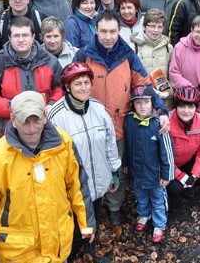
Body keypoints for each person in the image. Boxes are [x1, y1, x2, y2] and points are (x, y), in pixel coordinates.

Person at [0, 90, 96, 263]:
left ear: (45, 116)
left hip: (58, 247)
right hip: (19, 254)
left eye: (36, 120)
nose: (31, 129)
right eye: (25, 121)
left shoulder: (64, 143)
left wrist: (86, 223)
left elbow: (77, 185)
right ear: (13, 120)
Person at [73, 10, 170, 226]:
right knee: (91, 167)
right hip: (89, 124)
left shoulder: (127, 55)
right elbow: (70, 86)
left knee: (117, 168)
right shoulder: (83, 55)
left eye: (113, 31)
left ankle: (115, 207)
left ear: (120, 32)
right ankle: (94, 208)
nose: (108, 36)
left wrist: (161, 110)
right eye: (103, 31)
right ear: (95, 31)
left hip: (119, 123)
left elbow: (144, 84)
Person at [48, 62, 120, 263]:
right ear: (68, 87)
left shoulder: (98, 109)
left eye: (87, 83)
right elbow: (52, 155)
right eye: (78, 83)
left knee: (93, 217)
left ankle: (90, 250)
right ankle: (68, 256)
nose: (84, 88)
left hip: (97, 179)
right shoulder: (57, 115)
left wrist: (114, 170)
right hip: (73, 185)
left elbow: (109, 141)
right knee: (72, 224)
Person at [0, 16, 64, 127]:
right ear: (9, 37)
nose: (21, 39)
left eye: (25, 35)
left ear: (33, 37)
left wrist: (52, 105)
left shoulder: (50, 61)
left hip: (46, 122)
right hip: (13, 125)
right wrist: (16, 108)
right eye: (16, 35)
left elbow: (60, 87)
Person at [123, 85, 174, 243]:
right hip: (137, 172)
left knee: (157, 199)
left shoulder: (158, 124)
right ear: (133, 104)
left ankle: (159, 224)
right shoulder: (130, 121)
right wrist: (126, 163)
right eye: (138, 102)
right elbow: (127, 145)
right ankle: (144, 214)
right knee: (140, 196)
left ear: (153, 103)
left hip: (155, 175)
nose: (142, 106)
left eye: (146, 102)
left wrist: (167, 175)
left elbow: (167, 152)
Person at [167, 86, 200, 199]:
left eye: (190, 106)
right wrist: (179, 175)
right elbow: (160, 156)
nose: (186, 111)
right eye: (182, 106)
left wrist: (194, 175)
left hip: (187, 160)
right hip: (168, 165)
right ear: (176, 107)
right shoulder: (166, 123)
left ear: (196, 108)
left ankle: (188, 183)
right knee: (176, 189)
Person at [130, 9, 174, 104]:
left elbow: (173, 75)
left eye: (159, 27)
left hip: (164, 101)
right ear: (144, 26)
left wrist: (169, 94)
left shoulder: (168, 48)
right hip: (142, 101)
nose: (156, 30)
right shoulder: (134, 47)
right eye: (152, 26)